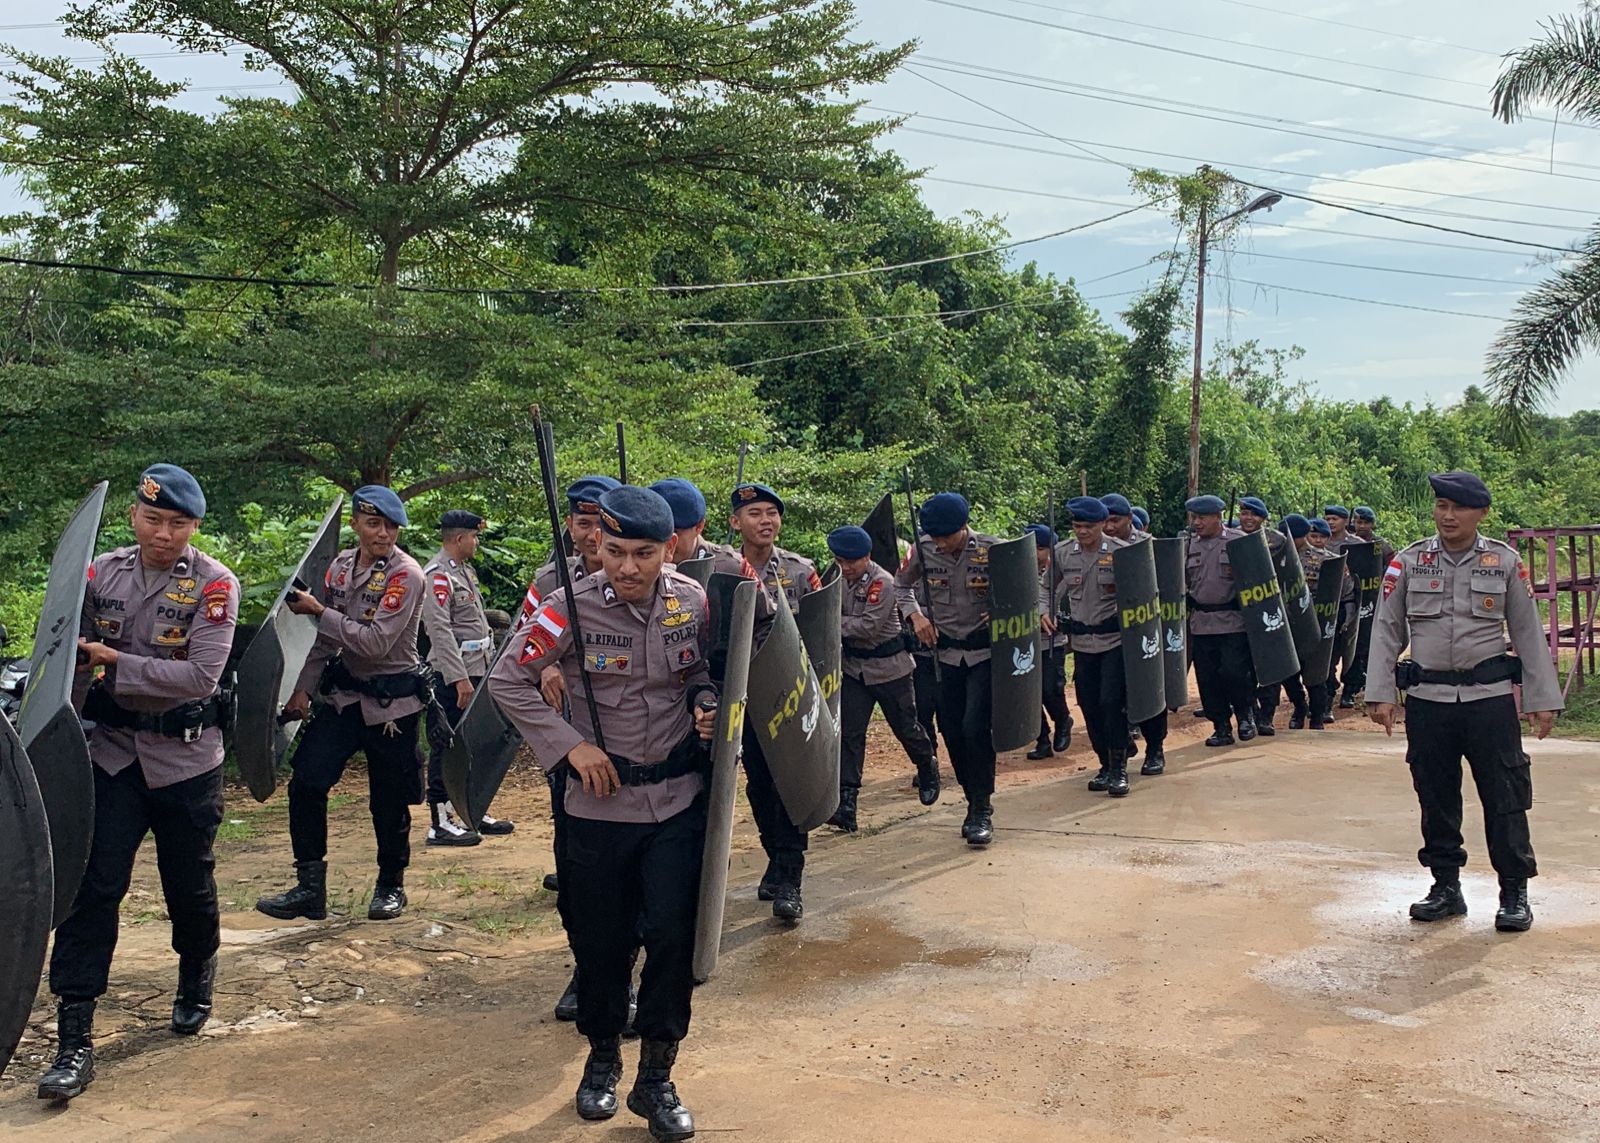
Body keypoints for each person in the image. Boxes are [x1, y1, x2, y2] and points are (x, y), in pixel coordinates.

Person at [488, 485, 716, 1139]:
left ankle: (657, 1077)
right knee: (601, 942)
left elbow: (699, 670)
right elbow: (508, 679)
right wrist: (570, 746)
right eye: (615, 551)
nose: (626, 567)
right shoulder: (568, 606)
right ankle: (603, 1057)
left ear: (668, 549)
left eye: (643, 553)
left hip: (676, 801)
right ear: (598, 543)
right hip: (598, 808)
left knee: (672, 938)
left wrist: (704, 702)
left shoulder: (692, 600)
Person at [38, 465, 239, 1102]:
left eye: (178, 523)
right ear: (133, 516)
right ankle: (73, 1037)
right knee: (92, 887)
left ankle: (196, 971)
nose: (164, 533)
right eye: (153, 519)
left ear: (195, 527)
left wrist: (115, 660)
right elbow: (63, 656)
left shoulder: (215, 585)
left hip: (187, 761)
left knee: (188, 884)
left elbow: (200, 677)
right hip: (113, 757)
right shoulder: (100, 575)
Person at [1367, 472, 1562, 933]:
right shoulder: (1409, 562)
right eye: (1441, 506)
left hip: (1488, 702)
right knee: (1434, 795)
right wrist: (1380, 692)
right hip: (1428, 701)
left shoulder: (1505, 563)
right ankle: (1445, 888)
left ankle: (1513, 893)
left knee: (1505, 797)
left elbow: (1528, 632)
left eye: (1459, 508)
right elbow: (1387, 628)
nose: (1448, 516)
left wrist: (1542, 698)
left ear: (1481, 514)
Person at [255, 486, 427, 925]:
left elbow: (374, 643)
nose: (384, 533)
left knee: (388, 800)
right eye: (374, 524)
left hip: (393, 704)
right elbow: (325, 640)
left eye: (391, 526)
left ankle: (391, 884)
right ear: (355, 525)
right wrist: (303, 689)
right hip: (345, 697)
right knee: (307, 781)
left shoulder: (406, 576)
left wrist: (318, 611)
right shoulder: (340, 568)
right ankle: (309, 886)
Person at [712, 482, 821, 920]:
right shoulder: (721, 568)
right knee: (758, 784)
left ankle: (791, 878)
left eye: (772, 513)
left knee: (789, 784)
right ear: (735, 522)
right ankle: (775, 858)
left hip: (791, 696)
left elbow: (821, 633)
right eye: (755, 514)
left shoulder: (800, 570)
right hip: (743, 697)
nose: (765, 521)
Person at [895, 493, 1001, 845]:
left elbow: (1025, 588)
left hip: (983, 654)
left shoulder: (993, 549)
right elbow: (900, 586)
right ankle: (972, 799)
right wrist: (916, 617)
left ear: (964, 526)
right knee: (951, 730)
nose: (941, 543)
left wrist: (1003, 608)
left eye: (947, 537)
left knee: (975, 727)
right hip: (944, 655)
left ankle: (982, 807)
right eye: (935, 537)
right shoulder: (921, 549)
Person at [826, 525, 940, 829]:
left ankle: (926, 763)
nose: (846, 568)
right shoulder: (836, 578)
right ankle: (846, 802)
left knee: (905, 727)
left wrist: (830, 620)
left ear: (867, 557)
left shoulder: (883, 582)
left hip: (890, 669)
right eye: (840, 561)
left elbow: (868, 627)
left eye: (851, 561)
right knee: (850, 734)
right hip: (854, 669)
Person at [421, 509, 514, 845]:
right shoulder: (437, 576)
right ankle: (440, 820)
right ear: (459, 538)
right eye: (474, 537)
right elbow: (440, 631)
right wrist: (458, 678)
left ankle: (469, 808)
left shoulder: (463, 572)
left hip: (476, 669)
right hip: (453, 674)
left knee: (472, 743)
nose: (476, 542)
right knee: (447, 744)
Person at [1052, 497, 1134, 796]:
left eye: (1088, 526)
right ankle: (1104, 764)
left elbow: (1140, 593)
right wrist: (1044, 610)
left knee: (1111, 702)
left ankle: (1119, 767)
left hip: (1114, 641)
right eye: (1077, 526)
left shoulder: (1121, 552)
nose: (1082, 531)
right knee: (1089, 704)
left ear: (1102, 524)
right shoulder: (1063, 553)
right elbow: (1046, 587)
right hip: (1082, 644)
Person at [1102, 495, 1167, 775]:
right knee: (1111, 698)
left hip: (1144, 631)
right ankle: (1118, 750)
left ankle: (1155, 749)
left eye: (1115, 520)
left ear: (1129, 519)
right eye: (1104, 521)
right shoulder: (1097, 547)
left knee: (1148, 691)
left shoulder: (1148, 546)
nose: (1109, 527)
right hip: (1110, 636)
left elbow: (1166, 586)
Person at [1184, 495, 1256, 746]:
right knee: (1208, 679)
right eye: (1194, 517)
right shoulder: (1187, 545)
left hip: (1233, 621)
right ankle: (1221, 726)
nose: (1197, 522)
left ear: (1218, 517)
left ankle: (1245, 715)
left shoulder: (1239, 542)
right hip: (1201, 623)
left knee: (1235, 672)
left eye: (1202, 517)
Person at [1237, 496, 1288, 737]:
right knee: (1242, 668)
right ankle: (1249, 711)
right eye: (1244, 513)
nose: (1248, 518)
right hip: (1240, 613)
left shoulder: (1277, 540)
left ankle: (1267, 714)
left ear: (1263, 518)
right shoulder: (1231, 538)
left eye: (1253, 514)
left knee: (1271, 667)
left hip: (1270, 610)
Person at [1024, 523, 1074, 761]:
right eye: (1031, 547)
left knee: (1050, 689)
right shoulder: (1017, 571)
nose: (1035, 553)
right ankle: (1042, 739)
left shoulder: (1061, 574)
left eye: (1040, 548)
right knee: (1029, 694)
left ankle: (1063, 720)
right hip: (1024, 642)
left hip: (1052, 641)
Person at [1275, 514, 1328, 731]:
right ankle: (1299, 706)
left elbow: (1340, 591)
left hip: (1313, 624)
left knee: (1315, 674)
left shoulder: (1324, 559)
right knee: (1288, 673)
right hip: (1284, 625)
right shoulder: (1275, 556)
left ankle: (1317, 715)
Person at [1342, 505, 1397, 708]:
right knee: (1349, 645)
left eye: (1366, 522)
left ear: (1373, 524)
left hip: (1374, 600)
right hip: (1350, 599)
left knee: (1368, 644)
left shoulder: (1380, 545)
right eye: (1358, 522)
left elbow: (1394, 568)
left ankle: (1357, 685)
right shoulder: (1347, 542)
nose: (1362, 526)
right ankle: (1349, 686)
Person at [1322, 504, 1362, 715]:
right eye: (1327, 518)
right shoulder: (1320, 542)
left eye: (1334, 519)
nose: (1330, 522)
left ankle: (1349, 689)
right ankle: (1326, 698)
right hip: (1324, 605)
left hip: (1348, 605)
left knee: (1349, 649)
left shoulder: (1357, 545)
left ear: (1345, 521)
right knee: (1327, 656)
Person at [648, 478, 732, 562]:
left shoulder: (725, 565)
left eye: (673, 532)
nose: (665, 543)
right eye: (653, 532)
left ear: (699, 527)